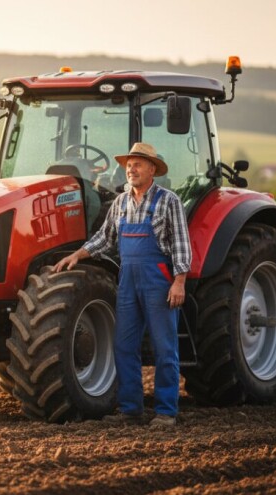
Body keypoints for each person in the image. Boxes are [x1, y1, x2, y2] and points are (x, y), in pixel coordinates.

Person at [53, 142, 191, 427]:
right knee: (124, 346)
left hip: (158, 280)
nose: (131, 169)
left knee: (165, 348)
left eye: (137, 164)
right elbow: (105, 238)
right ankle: (131, 410)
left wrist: (179, 282)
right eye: (129, 165)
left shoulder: (168, 201)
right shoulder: (120, 203)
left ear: (152, 169)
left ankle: (166, 412)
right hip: (127, 280)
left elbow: (181, 243)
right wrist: (78, 255)